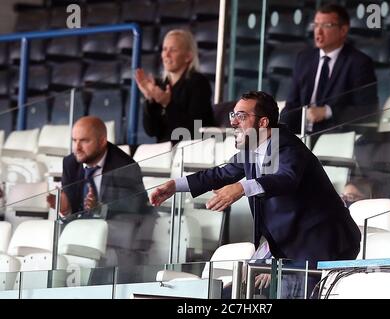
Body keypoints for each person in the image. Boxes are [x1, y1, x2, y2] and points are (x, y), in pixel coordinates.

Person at [149, 91, 361, 298]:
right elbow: (220, 174)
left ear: (263, 123)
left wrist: (242, 187)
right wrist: (174, 185)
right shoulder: (252, 150)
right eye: (233, 115)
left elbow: (286, 178)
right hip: (289, 248)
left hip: (322, 245)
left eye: (241, 116)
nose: (233, 122)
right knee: (232, 291)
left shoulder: (289, 147)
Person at [46, 116, 151, 282]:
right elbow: (71, 210)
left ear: (102, 141)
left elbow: (134, 209)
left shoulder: (125, 167)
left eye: (84, 141)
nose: (77, 147)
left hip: (117, 236)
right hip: (83, 231)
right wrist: (66, 208)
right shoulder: (71, 162)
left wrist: (100, 208)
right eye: (74, 140)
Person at [280, 3, 378, 143]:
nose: (318, 32)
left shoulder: (359, 62)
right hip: (300, 134)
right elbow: (292, 104)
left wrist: (327, 111)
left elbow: (367, 111)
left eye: (326, 26)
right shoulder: (304, 58)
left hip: (335, 136)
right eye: (316, 25)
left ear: (343, 30)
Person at [135, 29, 215, 143]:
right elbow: (152, 131)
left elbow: (193, 131)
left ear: (188, 56)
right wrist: (149, 100)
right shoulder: (161, 85)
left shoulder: (199, 83)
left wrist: (168, 104)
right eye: (164, 49)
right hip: (165, 152)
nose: (166, 55)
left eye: (173, 50)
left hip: (191, 152)